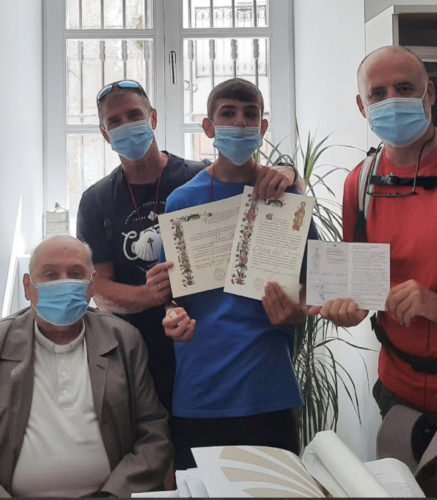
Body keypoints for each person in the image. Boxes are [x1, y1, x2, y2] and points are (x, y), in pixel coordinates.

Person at [309, 46, 437, 496]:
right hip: (400, 398)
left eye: (405, 88)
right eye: (378, 93)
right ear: (362, 105)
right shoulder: (360, 183)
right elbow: (360, 292)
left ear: (429, 94)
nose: (391, 100)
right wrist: (347, 310)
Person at [76, 80, 298, 409]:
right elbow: (97, 287)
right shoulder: (96, 200)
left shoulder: (194, 179)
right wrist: (149, 296)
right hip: (134, 350)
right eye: (115, 121)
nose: (126, 126)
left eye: (134, 115)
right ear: (105, 133)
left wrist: (288, 172)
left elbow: (245, 180)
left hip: (204, 353)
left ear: (153, 118)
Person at [159, 78, 317, 470]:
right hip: (200, 394)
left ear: (263, 127)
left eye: (250, 115)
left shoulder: (289, 198)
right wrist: (172, 316)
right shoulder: (182, 201)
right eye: (228, 114)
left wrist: (298, 309)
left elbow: (317, 284)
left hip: (268, 390)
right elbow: (172, 295)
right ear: (208, 127)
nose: (240, 123)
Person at [0, 235, 172, 497]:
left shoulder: (124, 341)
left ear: (92, 285)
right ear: (27, 286)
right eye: (50, 274)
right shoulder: (3, 342)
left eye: (75, 274)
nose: (64, 282)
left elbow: (154, 434)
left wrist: (113, 494)